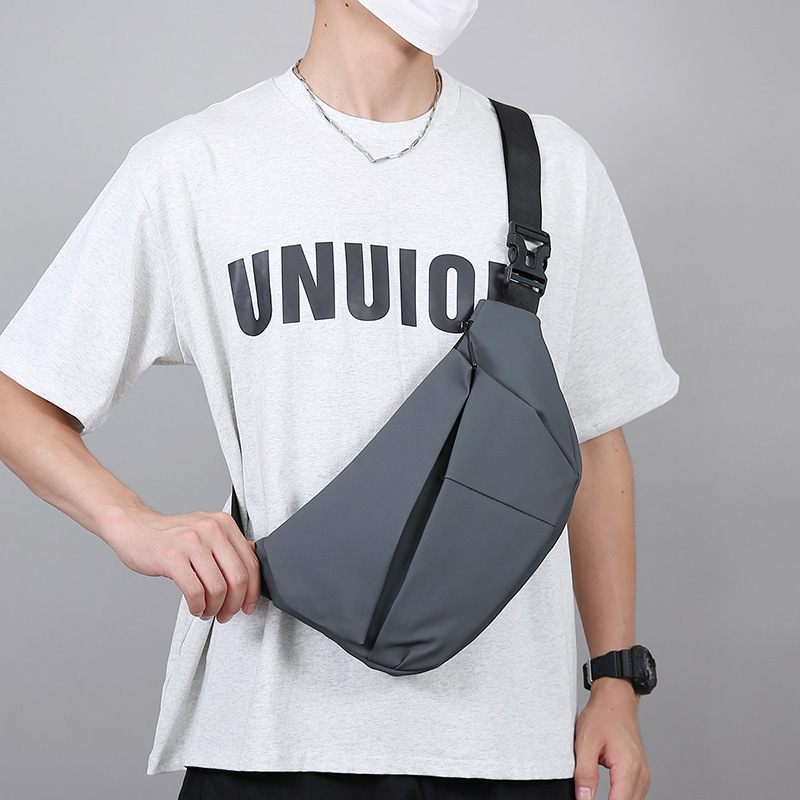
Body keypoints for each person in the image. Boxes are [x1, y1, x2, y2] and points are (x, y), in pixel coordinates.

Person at [0, 2, 679, 799]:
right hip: (269, 737)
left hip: (505, 744)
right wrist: (132, 522)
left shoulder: (549, 166)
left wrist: (614, 682)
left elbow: (590, 438)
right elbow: (18, 396)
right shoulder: (197, 165)